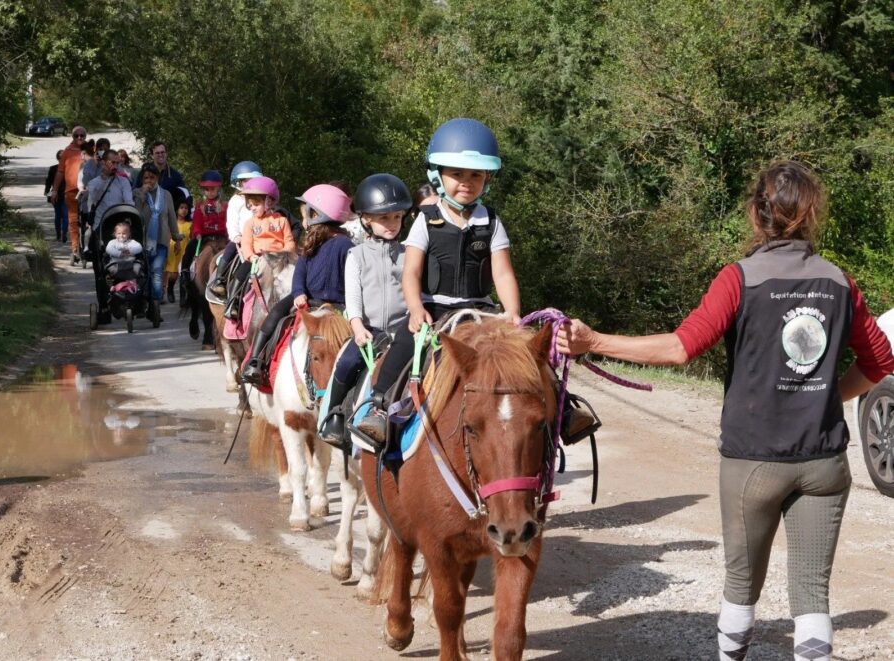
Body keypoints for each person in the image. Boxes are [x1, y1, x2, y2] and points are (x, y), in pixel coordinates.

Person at [556, 161, 894, 661]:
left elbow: (680, 348)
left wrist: (593, 341)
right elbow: (880, 362)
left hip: (752, 459)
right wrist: (822, 397)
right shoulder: (840, 282)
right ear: (810, 215)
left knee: (741, 584)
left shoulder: (739, 278)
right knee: (812, 594)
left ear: (758, 215)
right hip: (824, 462)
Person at [355, 118, 524, 444]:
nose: (467, 182)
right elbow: (412, 273)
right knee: (404, 343)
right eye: (457, 173)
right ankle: (378, 406)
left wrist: (513, 313)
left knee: (523, 352)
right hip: (435, 307)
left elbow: (502, 273)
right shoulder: (426, 221)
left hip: (481, 309)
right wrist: (416, 309)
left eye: (476, 174)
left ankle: (560, 408)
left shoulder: (491, 221)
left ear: (487, 178)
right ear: (438, 176)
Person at [319, 173, 412, 446]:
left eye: (397, 217)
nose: (393, 224)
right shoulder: (355, 256)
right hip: (369, 330)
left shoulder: (409, 254)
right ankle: (334, 414)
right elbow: (353, 299)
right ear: (366, 220)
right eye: (384, 218)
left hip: (401, 330)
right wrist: (357, 327)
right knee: (347, 363)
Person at [241, 183, 353, 386]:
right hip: (307, 298)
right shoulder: (312, 242)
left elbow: (352, 278)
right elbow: (300, 272)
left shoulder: (346, 246)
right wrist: (299, 291)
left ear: (316, 214)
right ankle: (255, 361)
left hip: (338, 304)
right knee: (275, 315)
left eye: (305, 214)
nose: (303, 220)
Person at [222, 176, 295, 320]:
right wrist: (251, 256)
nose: (251, 208)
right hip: (258, 258)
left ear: (269, 202)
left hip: (279, 259)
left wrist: (285, 253)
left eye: (255, 204)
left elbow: (289, 241)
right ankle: (233, 303)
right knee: (241, 273)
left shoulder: (282, 220)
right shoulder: (250, 223)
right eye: (249, 205)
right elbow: (246, 244)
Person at [209, 160, 262, 299]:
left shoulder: (261, 200)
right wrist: (236, 236)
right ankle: (220, 280)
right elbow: (231, 222)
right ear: (238, 183)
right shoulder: (236, 201)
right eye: (246, 181)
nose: (250, 184)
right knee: (230, 250)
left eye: (253, 181)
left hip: (261, 238)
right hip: (242, 237)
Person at [133, 163, 183, 304]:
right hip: (142, 241)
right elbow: (135, 213)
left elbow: (172, 218)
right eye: (146, 178)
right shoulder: (137, 193)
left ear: (157, 178)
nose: (149, 181)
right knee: (143, 271)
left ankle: (156, 301)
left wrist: (177, 238)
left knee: (157, 270)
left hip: (161, 240)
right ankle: (143, 300)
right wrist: (142, 194)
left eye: (152, 177)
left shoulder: (166, 195)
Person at [179, 170, 228, 282]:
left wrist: (228, 235)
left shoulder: (225, 205)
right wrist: (197, 232)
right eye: (207, 189)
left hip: (221, 238)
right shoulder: (200, 205)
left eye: (212, 189)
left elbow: (227, 222)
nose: (209, 192)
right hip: (204, 237)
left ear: (218, 189)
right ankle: (185, 271)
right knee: (190, 248)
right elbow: (196, 222)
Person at [49, 126, 88, 263]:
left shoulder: (90, 150)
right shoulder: (67, 151)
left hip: (87, 193)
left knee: (87, 221)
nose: (79, 138)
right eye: (76, 135)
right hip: (71, 192)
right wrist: (54, 190)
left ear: (85, 136)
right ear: (72, 137)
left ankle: (87, 247)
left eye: (82, 135)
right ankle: (74, 249)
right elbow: (60, 172)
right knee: (72, 221)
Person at [164, 188, 194, 304]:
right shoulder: (172, 223)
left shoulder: (190, 224)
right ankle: (170, 288)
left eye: (186, 208)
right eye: (181, 208)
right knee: (173, 274)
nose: (184, 210)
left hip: (185, 251)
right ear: (176, 209)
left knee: (183, 274)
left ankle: (183, 298)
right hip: (174, 250)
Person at [44, 150, 67, 242]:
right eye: (60, 157)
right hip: (56, 194)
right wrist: (47, 191)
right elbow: (49, 181)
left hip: (66, 194)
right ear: (58, 158)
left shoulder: (70, 168)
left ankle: (64, 233)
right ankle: (58, 233)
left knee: (64, 215)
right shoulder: (53, 169)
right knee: (59, 215)